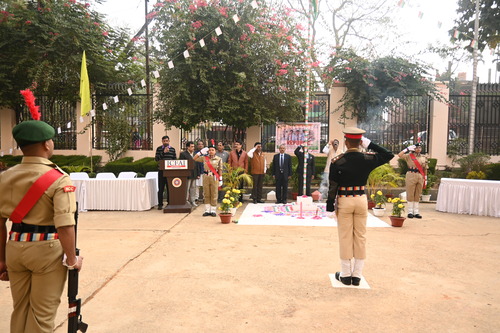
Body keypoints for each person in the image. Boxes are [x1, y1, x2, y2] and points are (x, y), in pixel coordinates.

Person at [0, 120, 84, 332]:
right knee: (42, 315)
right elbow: (65, 226)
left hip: (15, 247)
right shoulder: (59, 179)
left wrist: (2, 259)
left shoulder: (5, 177)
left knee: (20, 309)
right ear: (47, 145)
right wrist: (72, 260)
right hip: (47, 250)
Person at [326, 127, 394, 286]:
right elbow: (388, 154)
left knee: (345, 236)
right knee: (361, 236)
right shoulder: (367, 158)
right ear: (360, 142)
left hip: (345, 200)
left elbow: (333, 186)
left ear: (346, 141)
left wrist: (330, 205)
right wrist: (369, 143)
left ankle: (345, 274)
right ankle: (357, 275)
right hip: (361, 200)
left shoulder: (338, 161)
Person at [398, 143, 428, 219]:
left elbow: (425, 169)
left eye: (420, 148)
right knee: (410, 193)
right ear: (413, 149)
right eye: (416, 148)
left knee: (418, 194)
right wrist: (407, 149)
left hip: (420, 176)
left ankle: (416, 212)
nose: (418, 149)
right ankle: (410, 211)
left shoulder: (423, 157)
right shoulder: (409, 156)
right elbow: (400, 155)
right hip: (411, 175)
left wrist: (425, 178)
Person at [194, 144, 223, 217]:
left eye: (212, 150)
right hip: (206, 177)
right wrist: (200, 152)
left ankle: (213, 210)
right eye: (209, 150)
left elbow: (220, 170)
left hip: (214, 177)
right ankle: (207, 210)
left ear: (215, 151)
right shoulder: (204, 158)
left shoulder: (218, 159)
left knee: (214, 193)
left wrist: (220, 179)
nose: (211, 151)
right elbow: (194, 158)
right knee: (206, 193)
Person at [155, 135, 176, 210]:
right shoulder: (159, 149)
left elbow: (174, 160)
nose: (165, 142)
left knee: (169, 188)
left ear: (169, 141)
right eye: (164, 141)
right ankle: (160, 204)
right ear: (162, 141)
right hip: (161, 171)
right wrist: (163, 152)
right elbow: (157, 159)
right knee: (161, 188)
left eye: (167, 141)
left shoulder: (173, 149)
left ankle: (169, 202)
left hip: (170, 172)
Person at [179, 141, 198, 207]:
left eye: (193, 146)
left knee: (193, 188)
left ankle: (192, 201)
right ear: (187, 147)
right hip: (187, 174)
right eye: (191, 146)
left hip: (194, 173)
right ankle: (186, 201)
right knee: (187, 188)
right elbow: (181, 164)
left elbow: (197, 164)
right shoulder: (183, 154)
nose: (193, 148)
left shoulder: (195, 154)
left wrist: (197, 174)